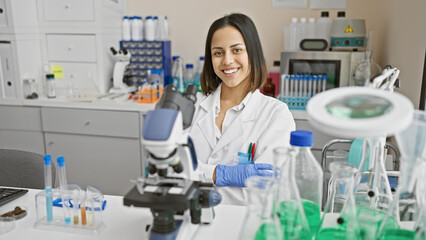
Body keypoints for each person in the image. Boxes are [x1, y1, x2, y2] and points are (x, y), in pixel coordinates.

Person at [188, 13, 295, 205]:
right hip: (191, 223)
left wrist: (197, 175)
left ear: (252, 53)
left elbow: (266, 194)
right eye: (218, 53)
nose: (227, 61)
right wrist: (217, 174)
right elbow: (169, 173)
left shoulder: (276, 115)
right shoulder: (192, 108)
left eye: (236, 50)